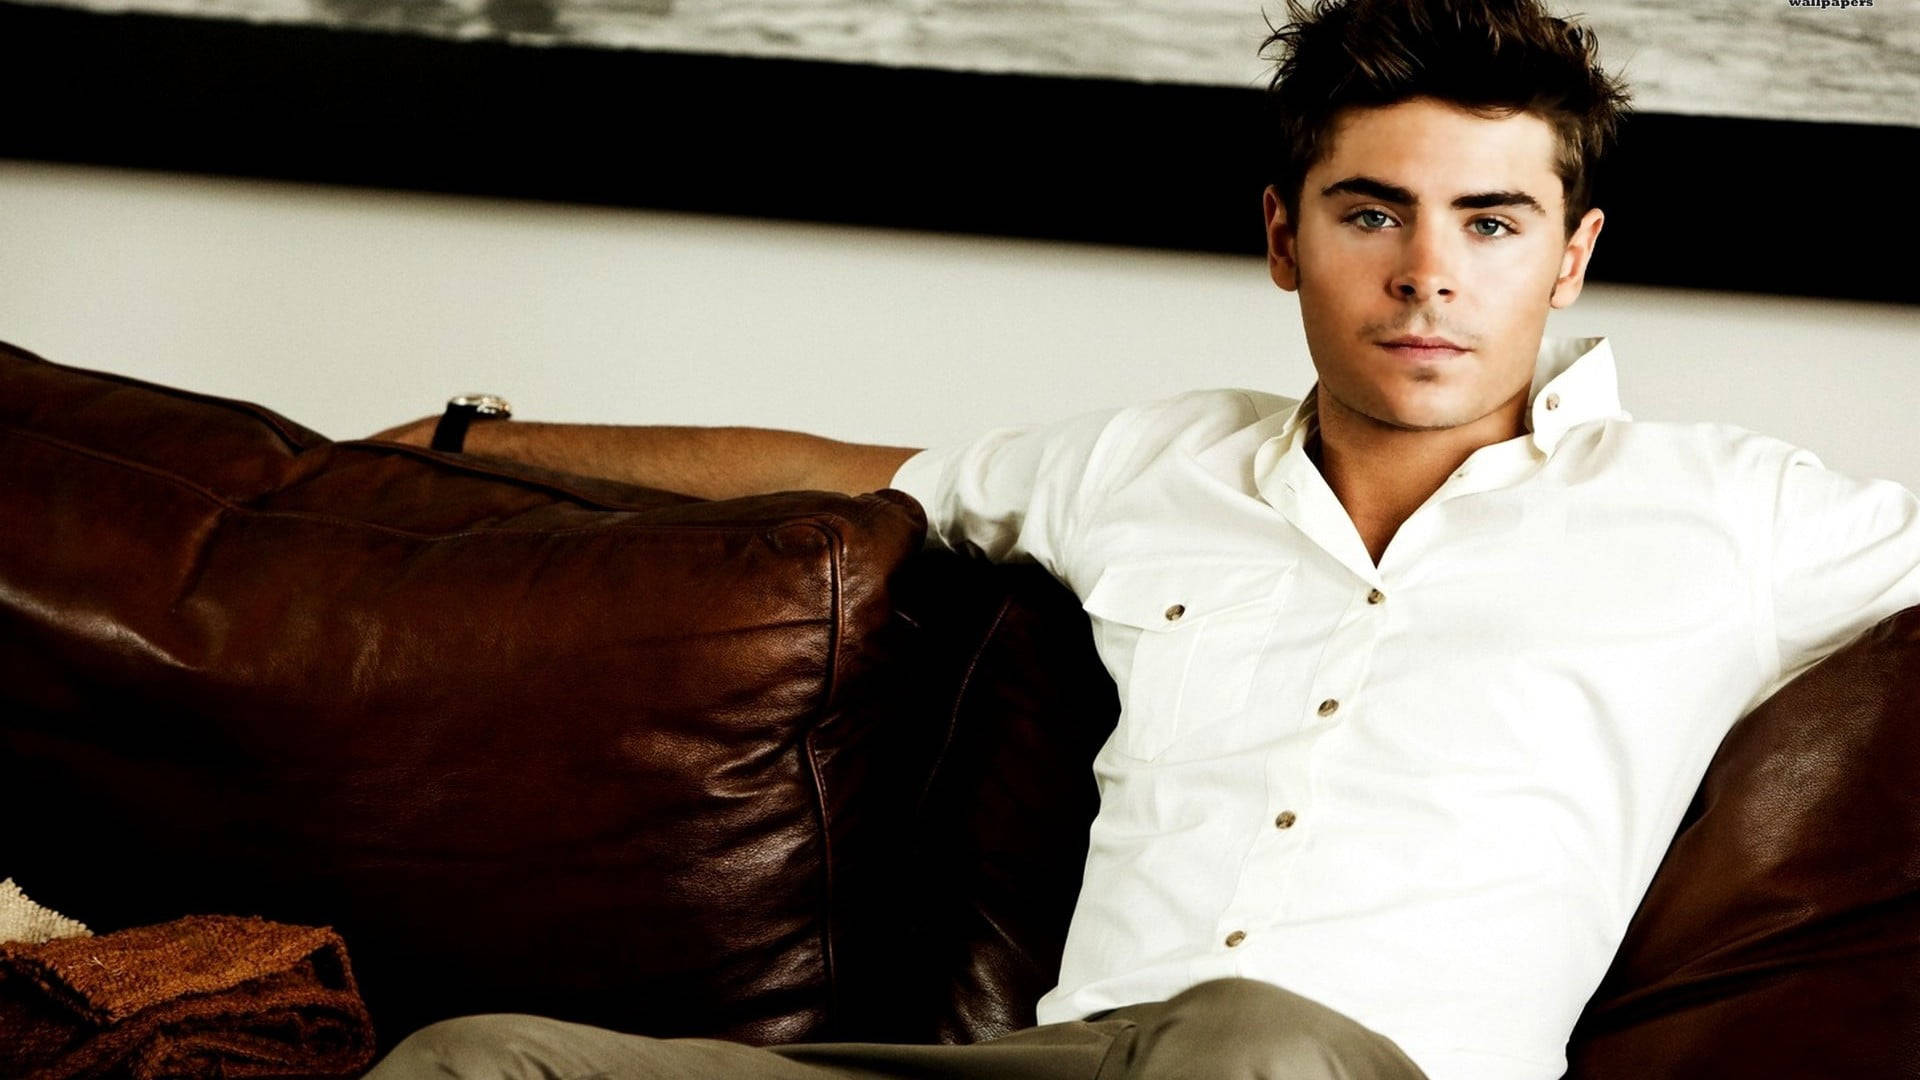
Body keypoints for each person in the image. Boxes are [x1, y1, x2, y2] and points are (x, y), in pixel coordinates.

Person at [360, 1, 1920, 1077]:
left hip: (1333, 1066)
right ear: (1282, 237)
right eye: (1372, 212)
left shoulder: (1734, 510)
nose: (1428, 274)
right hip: (1062, 1060)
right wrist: (465, 439)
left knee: (1248, 1037)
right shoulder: (1149, 465)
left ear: (1570, 259)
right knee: (482, 1059)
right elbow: (825, 474)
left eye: (1491, 222)